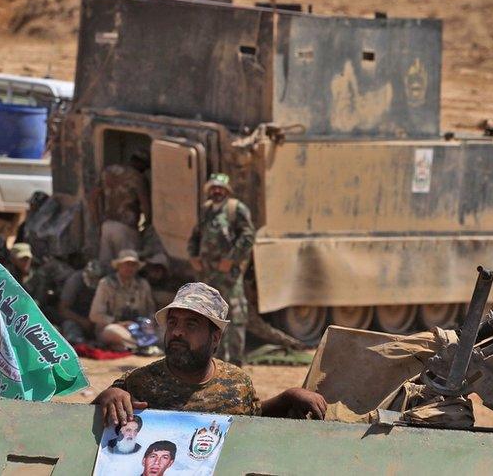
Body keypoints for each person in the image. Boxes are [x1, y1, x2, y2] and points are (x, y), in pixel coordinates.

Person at [93, 282, 327, 428]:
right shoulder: (137, 382)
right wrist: (106, 396)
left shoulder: (237, 383)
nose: (177, 332)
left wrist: (287, 398)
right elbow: (81, 424)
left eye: (191, 324)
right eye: (172, 322)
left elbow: (252, 421)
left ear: (215, 338)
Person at [187, 173, 254, 365]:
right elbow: (195, 235)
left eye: (220, 188)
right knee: (211, 317)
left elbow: (248, 237)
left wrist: (232, 260)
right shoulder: (206, 210)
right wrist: (193, 256)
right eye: (213, 188)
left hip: (228, 275)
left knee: (235, 316)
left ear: (227, 191)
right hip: (208, 275)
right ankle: (215, 360)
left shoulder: (236, 209)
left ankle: (235, 362)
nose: (217, 191)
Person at [89, 249, 155, 351]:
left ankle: (130, 346)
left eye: (133, 265)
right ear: (118, 266)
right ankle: (140, 345)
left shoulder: (143, 284)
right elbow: (94, 315)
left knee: (163, 331)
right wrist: (118, 322)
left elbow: (151, 310)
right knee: (111, 331)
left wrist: (148, 323)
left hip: (139, 328)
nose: (130, 268)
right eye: (126, 264)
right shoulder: (106, 284)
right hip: (115, 326)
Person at [95, 157, 151, 269]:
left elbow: (92, 197)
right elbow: (144, 204)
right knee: (127, 266)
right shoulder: (137, 177)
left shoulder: (107, 172)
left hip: (107, 225)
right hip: (126, 227)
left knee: (105, 267)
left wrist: (96, 221)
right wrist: (148, 223)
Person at [58, 259, 105, 344]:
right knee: (70, 327)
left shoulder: (105, 283)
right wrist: (82, 321)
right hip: (76, 318)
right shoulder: (74, 281)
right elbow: (63, 309)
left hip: (95, 319)